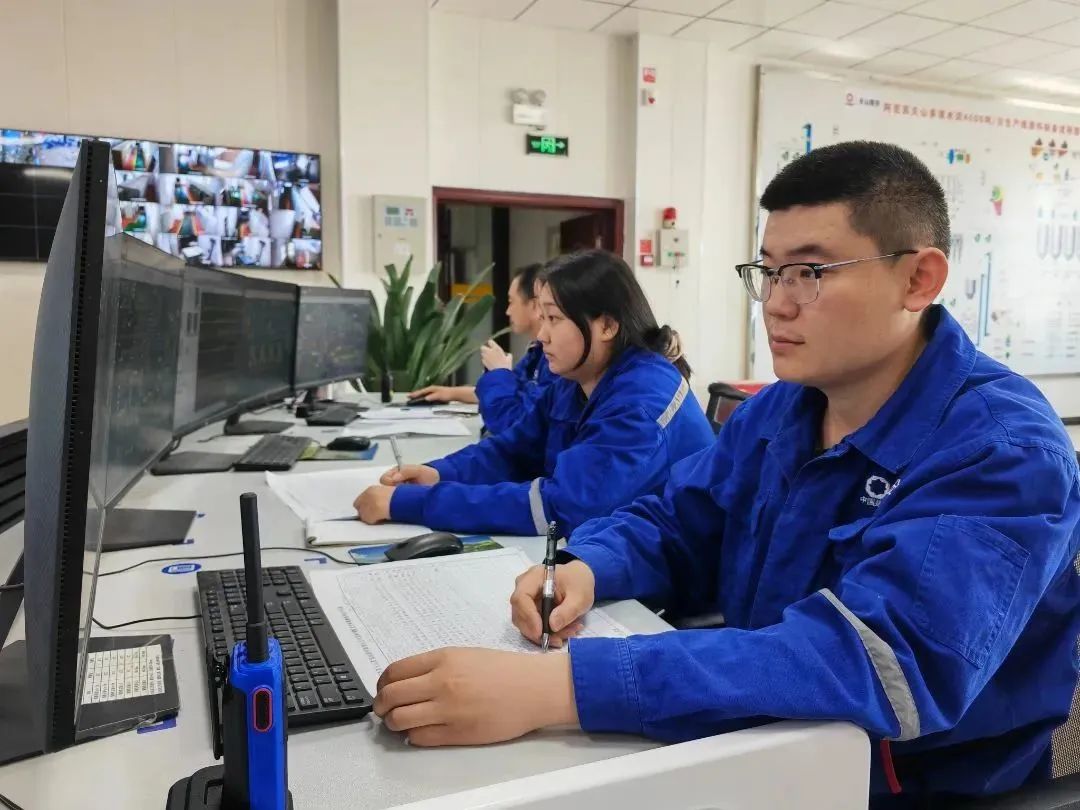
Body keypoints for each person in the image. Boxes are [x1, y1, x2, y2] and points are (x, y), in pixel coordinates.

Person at [370, 142, 1080, 807]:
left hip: (904, 786)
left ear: (918, 279)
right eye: (768, 272)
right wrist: (590, 566)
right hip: (758, 738)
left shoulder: (1002, 450)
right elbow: (678, 520)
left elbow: (883, 663)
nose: (777, 303)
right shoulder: (782, 409)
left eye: (811, 273)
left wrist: (562, 687)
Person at [353, 249, 715, 538]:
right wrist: (437, 474)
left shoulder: (642, 399)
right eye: (541, 318)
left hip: (669, 586)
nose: (541, 336)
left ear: (607, 325)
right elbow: (513, 450)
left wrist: (409, 504)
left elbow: (561, 508)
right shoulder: (576, 380)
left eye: (553, 319)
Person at [409, 263, 556, 434]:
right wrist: (450, 393)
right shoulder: (535, 352)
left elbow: (516, 422)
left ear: (535, 305)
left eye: (511, 302)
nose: (508, 312)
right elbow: (509, 392)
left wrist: (500, 372)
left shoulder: (556, 358)